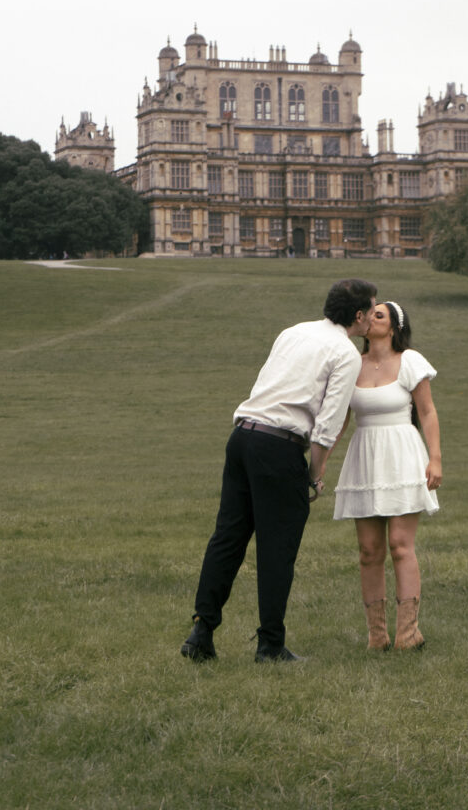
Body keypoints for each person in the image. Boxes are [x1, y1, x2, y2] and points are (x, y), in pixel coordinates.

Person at [181, 278, 378, 664]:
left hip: (242, 435)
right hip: (279, 446)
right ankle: (270, 645)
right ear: (358, 315)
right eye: (371, 310)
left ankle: (201, 632)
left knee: (228, 537)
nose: (374, 317)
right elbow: (328, 424)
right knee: (277, 547)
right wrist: (315, 475)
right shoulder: (347, 352)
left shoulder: (293, 332)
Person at [332, 300, 442, 652]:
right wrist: (318, 462)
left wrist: (435, 459)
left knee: (399, 544)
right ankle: (376, 636)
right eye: (368, 314)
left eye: (379, 315)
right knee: (369, 550)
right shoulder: (352, 364)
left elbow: (426, 412)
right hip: (365, 457)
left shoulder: (410, 361)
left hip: (403, 456)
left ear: (394, 326)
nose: (369, 318)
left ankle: (408, 634)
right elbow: (340, 421)